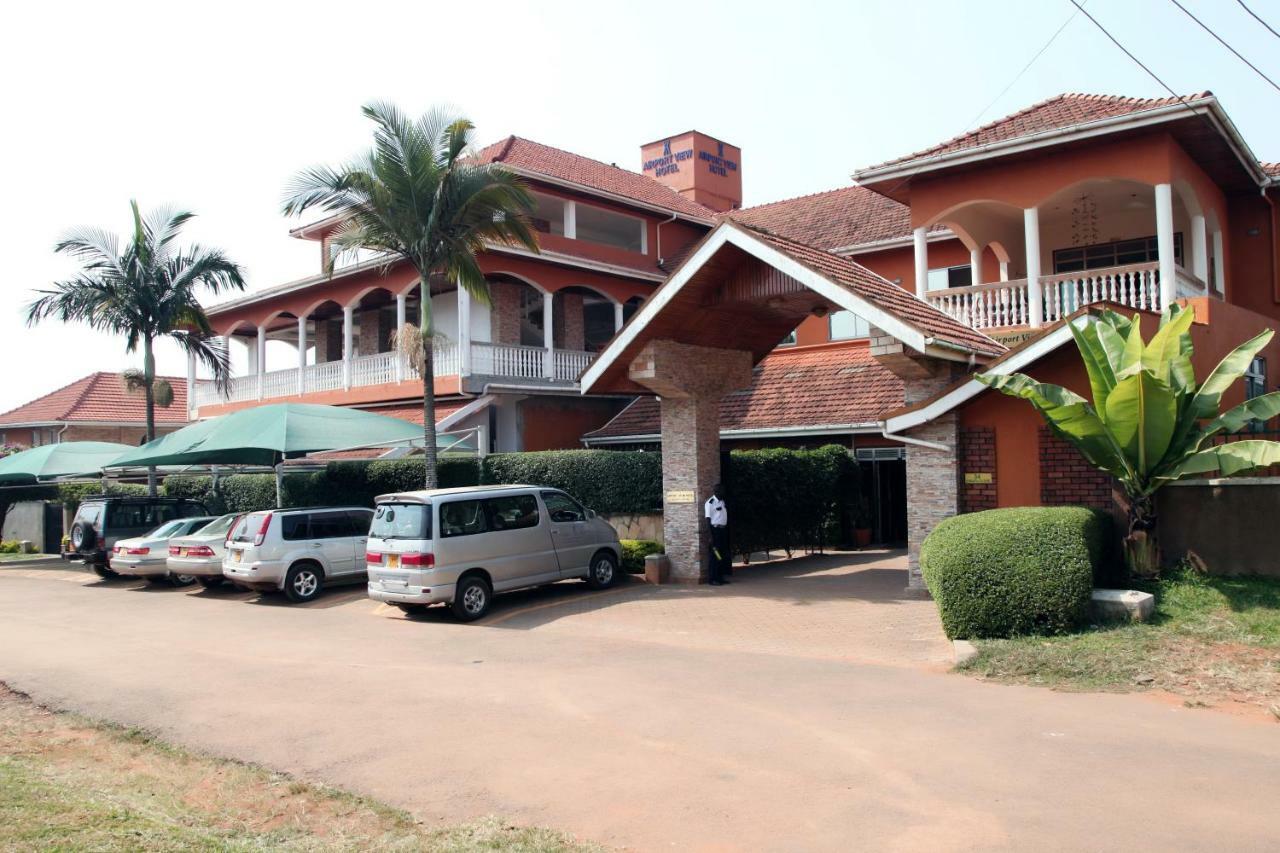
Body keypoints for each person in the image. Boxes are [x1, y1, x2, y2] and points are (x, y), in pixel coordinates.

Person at [704, 483, 730, 586]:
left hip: (722, 531)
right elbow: (708, 519)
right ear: (717, 492)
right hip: (715, 532)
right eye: (722, 491)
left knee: (721, 555)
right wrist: (710, 536)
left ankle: (720, 577)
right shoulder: (710, 503)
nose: (724, 492)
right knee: (715, 555)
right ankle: (712, 579)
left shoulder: (722, 502)